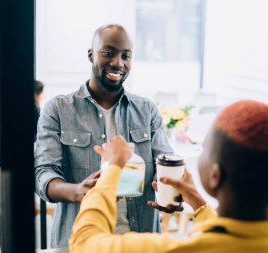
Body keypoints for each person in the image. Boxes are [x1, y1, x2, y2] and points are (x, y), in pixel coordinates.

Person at [69, 100, 268, 253]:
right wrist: (200, 205)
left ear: (215, 175)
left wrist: (113, 167)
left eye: (204, 149)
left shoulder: (177, 249)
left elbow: (85, 241)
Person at [34, 24, 173, 248]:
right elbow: (43, 174)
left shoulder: (147, 109)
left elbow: (165, 163)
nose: (118, 63)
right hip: (80, 243)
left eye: (125, 56)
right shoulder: (58, 109)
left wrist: (170, 189)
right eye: (108, 53)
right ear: (91, 54)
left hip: (140, 243)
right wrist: (77, 191)